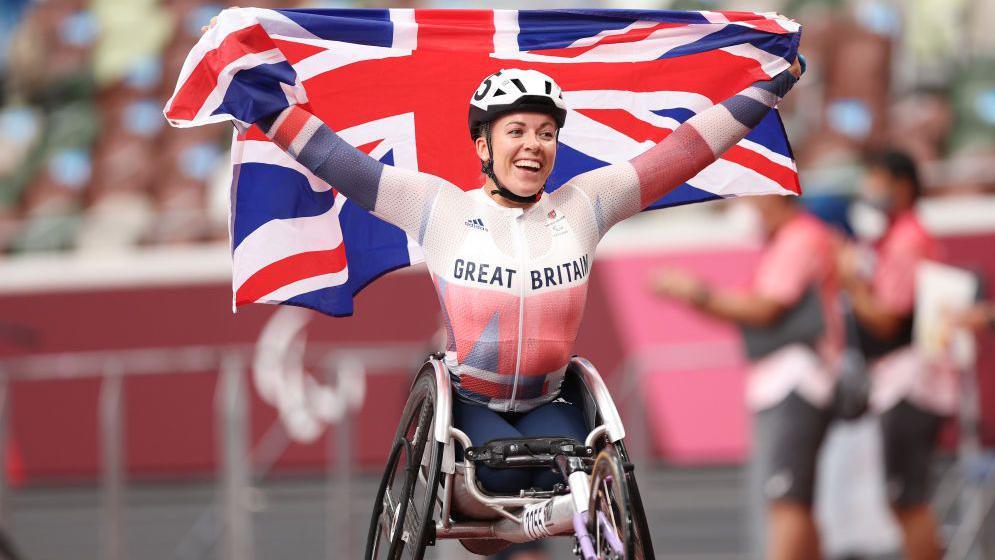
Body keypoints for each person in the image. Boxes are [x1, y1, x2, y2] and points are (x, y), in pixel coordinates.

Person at [201, 14, 803, 552]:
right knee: (493, 493)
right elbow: (340, 162)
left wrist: (767, 89)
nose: (534, 145)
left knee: (593, 485)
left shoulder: (588, 202)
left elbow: (685, 151)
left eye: (545, 133)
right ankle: (540, 512)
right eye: (517, 131)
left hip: (554, 403)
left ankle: (562, 517)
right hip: (470, 406)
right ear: (483, 143)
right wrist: (267, 107)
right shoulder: (435, 207)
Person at [650, 195, 841, 560]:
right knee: (793, 498)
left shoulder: (799, 237)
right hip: (787, 387)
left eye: (754, 201)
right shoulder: (789, 241)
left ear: (775, 198)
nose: (749, 210)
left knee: (786, 499)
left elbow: (764, 308)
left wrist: (694, 292)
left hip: (796, 385)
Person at [839, 150, 947, 560]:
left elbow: (886, 320)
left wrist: (852, 282)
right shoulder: (894, 237)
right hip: (900, 382)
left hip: (910, 382)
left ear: (902, 186)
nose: (869, 191)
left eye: (877, 181)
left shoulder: (907, 239)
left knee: (908, 501)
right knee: (903, 500)